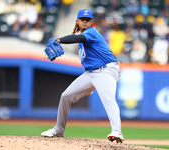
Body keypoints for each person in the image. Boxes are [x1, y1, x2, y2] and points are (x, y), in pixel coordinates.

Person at [41, 8, 124, 143]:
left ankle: (117, 131)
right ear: (77, 22)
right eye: (82, 20)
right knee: (66, 96)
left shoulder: (91, 33)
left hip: (106, 70)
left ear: (91, 22)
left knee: (108, 99)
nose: (85, 22)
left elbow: (78, 37)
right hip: (91, 73)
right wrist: (90, 86)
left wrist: (59, 40)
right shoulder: (83, 40)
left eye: (88, 20)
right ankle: (59, 129)